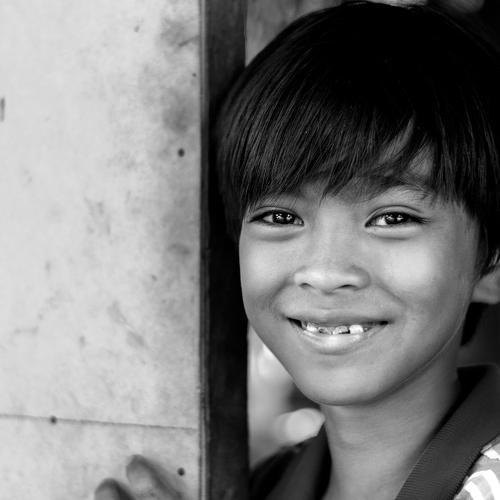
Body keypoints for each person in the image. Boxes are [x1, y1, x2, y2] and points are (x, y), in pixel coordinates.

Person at [95, 2, 500, 499]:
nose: (325, 272)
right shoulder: (262, 486)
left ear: (492, 261)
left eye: (392, 218)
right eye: (281, 218)